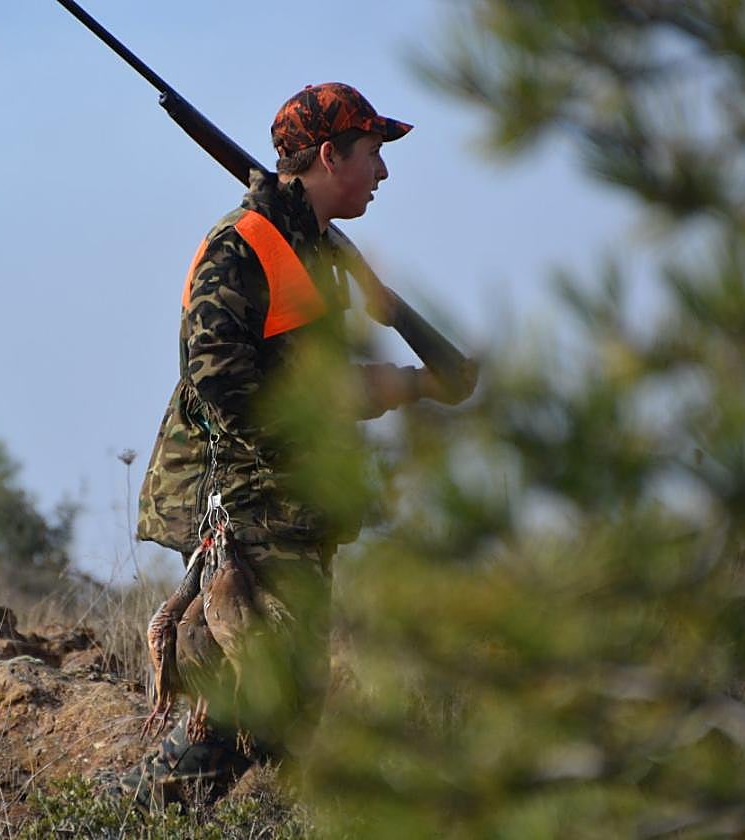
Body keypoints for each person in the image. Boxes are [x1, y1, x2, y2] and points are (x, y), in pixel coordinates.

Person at [118, 82, 472, 809]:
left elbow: (318, 384)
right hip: (246, 508)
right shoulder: (240, 246)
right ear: (328, 155)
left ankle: (145, 815)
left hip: (294, 510)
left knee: (285, 710)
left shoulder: (318, 255)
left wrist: (416, 385)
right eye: (372, 152)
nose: (382, 171)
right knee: (249, 705)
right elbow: (220, 383)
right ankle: (116, 817)